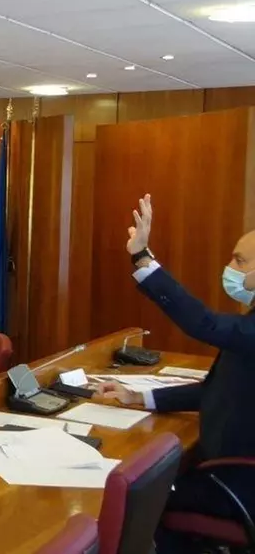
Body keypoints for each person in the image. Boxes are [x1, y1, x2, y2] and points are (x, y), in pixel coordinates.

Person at [96, 194, 255, 543]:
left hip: (237, 487)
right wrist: (139, 397)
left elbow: (204, 323)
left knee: (136, 499)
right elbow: (216, 389)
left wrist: (142, 257)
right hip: (233, 475)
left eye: (239, 261)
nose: (230, 267)